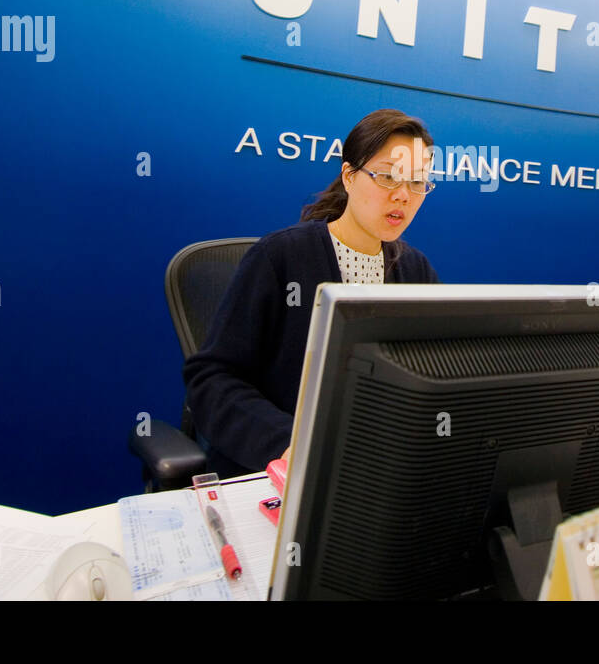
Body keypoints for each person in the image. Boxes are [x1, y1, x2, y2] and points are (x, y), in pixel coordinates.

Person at [183, 109, 439, 476]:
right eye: (388, 177)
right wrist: (288, 443)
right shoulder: (280, 258)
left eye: (418, 182)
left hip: (371, 469)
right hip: (276, 471)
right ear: (349, 177)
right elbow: (212, 378)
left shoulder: (416, 271)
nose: (403, 195)